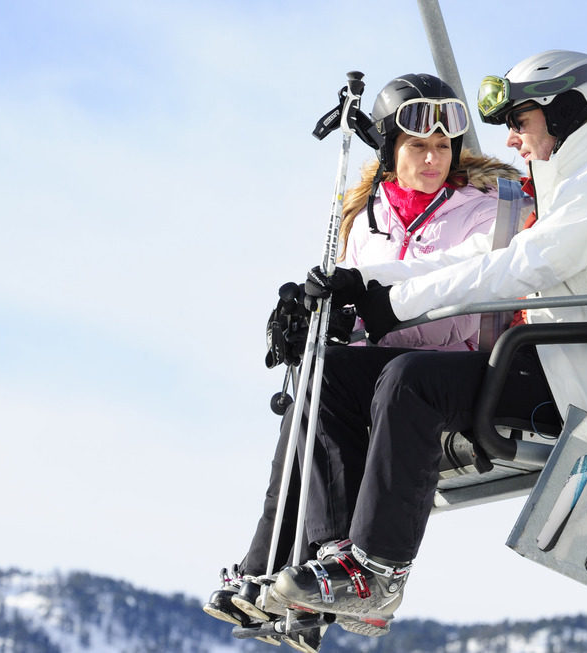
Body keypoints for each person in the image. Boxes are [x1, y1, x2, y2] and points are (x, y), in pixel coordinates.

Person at [266, 49, 587, 639]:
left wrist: (395, 305)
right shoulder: (567, 190)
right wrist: (358, 286)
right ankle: (331, 558)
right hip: (546, 362)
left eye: (521, 121)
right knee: (331, 371)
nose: (511, 138)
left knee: (413, 379)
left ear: (563, 113)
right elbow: (470, 260)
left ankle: (380, 572)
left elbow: (522, 268)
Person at [202, 73, 520, 648]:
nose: (432, 159)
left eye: (443, 148)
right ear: (389, 150)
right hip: (391, 368)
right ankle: (299, 565)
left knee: (393, 374)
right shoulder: (366, 222)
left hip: (460, 365)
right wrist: (317, 320)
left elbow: (459, 293)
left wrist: (367, 292)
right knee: (321, 374)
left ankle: (330, 567)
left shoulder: (480, 212)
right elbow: (360, 318)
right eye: (418, 147)